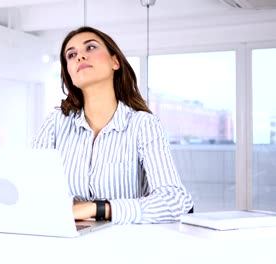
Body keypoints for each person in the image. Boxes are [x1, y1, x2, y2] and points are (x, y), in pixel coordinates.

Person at [31, 26, 194, 225]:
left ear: (115, 62)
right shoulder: (55, 124)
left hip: (124, 246)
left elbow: (176, 201)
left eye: (90, 48)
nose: (80, 57)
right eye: (71, 55)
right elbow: (31, 189)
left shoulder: (143, 125)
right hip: (63, 239)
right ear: (70, 74)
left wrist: (99, 208)